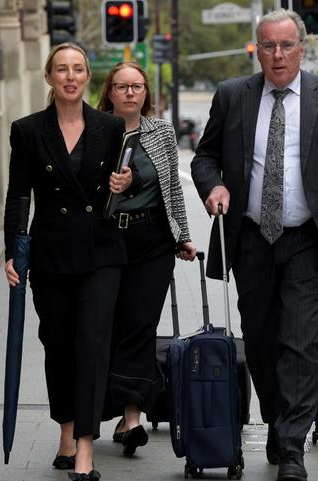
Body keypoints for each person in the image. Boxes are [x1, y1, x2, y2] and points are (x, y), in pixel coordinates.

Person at [191, 8, 318, 481]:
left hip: (309, 241)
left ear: (301, 49)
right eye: (267, 46)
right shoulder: (233, 95)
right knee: (263, 341)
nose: (277, 55)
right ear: (257, 49)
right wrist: (213, 187)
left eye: (286, 45)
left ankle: (292, 444)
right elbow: (205, 155)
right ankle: (276, 417)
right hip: (250, 238)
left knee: (302, 341)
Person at [3, 43, 132, 481]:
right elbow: (19, 194)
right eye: (62, 69)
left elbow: (123, 191)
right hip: (51, 253)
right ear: (50, 77)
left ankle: (84, 450)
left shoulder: (111, 127)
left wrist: (124, 183)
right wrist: (11, 252)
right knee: (57, 345)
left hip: (101, 251)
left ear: (87, 78)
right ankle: (65, 430)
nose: (71, 76)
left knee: (92, 346)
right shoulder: (28, 130)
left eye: (78, 69)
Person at [96, 62, 197, 456]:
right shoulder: (96, 129)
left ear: (146, 93)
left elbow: (173, 188)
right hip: (108, 239)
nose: (129, 93)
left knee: (140, 327)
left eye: (136, 86)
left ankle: (133, 416)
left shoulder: (162, 132)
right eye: (121, 86)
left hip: (153, 239)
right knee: (108, 324)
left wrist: (183, 236)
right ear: (110, 92)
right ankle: (113, 409)